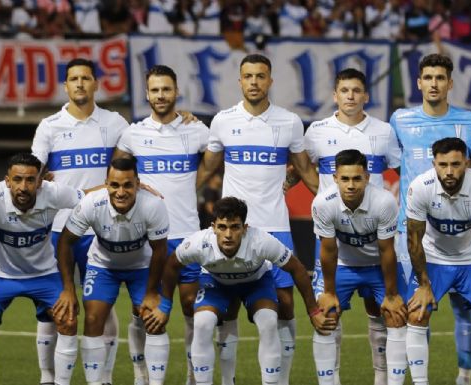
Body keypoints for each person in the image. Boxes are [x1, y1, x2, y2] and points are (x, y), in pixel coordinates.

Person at [197, 53, 320, 385]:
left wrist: (329, 202)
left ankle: (282, 380)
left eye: (260, 76)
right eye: (248, 76)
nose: (254, 82)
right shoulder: (222, 120)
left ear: (270, 81)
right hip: (233, 229)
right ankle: (228, 379)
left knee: (284, 305)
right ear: (240, 81)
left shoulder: (289, 122)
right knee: (229, 306)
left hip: (277, 226)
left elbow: (306, 169)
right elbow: (206, 168)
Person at [145, 196, 336, 385]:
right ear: (213, 227)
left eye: (235, 227)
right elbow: (171, 266)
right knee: (202, 323)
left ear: (245, 228)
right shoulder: (198, 243)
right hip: (216, 283)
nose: (228, 234)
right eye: (222, 227)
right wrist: (165, 305)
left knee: (269, 321)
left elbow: (297, 269)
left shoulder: (261, 241)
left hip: (256, 283)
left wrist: (313, 311)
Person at [31, 57, 130, 385]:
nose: (79, 84)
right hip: (57, 228)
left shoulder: (115, 123)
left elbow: (132, 166)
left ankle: (105, 377)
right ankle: (48, 377)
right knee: (52, 305)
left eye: (85, 78)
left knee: (100, 305)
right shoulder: (49, 126)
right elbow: (33, 175)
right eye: (73, 78)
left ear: (96, 84)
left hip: (100, 229)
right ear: (65, 85)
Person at [301, 68, 402, 385]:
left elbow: (402, 169)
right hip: (335, 235)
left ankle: (382, 377)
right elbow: (303, 167)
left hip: (374, 232)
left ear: (366, 96)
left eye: (356, 90)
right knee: (326, 313)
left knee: (385, 311)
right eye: (344, 90)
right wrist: (319, 195)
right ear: (335, 95)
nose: (350, 96)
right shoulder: (316, 130)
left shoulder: (384, 131)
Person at [112, 64, 211, 385]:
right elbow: (116, 176)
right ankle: (142, 376)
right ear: (146, 94)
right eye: (154, 90)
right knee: (143, 311)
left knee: (190, 307)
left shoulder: (197, 130)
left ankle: (194, 376)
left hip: (189, 236)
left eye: (166, 89)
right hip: (147, 239)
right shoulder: (133, 133)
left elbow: (214, 160)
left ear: (176, 91)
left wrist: (192, 185)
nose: (160, 95)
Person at [390, 53, 471, 385]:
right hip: (412, 233)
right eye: (427, 77)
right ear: (418, 83)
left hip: (461, 233)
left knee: (464, 309)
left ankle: (465, 377)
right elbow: (384, 162)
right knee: (417, 309)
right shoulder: (399, 120)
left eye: (440, 78)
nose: (433, 83)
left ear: (450, 83)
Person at [0, 153, 85, 385]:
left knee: (68, 318)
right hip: (0, 273)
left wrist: (140, 188)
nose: (23, 186)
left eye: (30, 180)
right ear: (7, 180)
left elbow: (91, 197)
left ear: (40, 181)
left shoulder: (54, 192)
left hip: (45, 273)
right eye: (17, 179)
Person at [53, 157, 170, 385]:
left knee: (154, 318)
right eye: (114, 185)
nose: (121, 192)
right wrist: (68, 288)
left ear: (137, 183)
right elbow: (65, 242)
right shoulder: (90, 203)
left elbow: (159, 251)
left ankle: (153, 382)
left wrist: (151, 292)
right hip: (103, 265)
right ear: (106, 184)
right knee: (93, 318)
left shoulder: (153, 205)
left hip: (141, 267)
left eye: (127, 185)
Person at [405, 137, 471, 385]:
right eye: (442, 164)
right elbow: (414, 241)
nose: (449, 171)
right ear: (434, 164)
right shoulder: (420, 187)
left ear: (467, 163)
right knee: (416, 313)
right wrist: (424, 286)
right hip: (434, 258)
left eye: (455, 164)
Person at [311, 149, 407, 385]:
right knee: (325, 316)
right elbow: (328, 251)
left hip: (376, 265)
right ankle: (329, 381)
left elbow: (387, 250)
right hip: (343, 265)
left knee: (395, 316)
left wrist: (392, 295)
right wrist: (330, 293)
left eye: (357, 178)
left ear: (367, 177)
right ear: (335, 178)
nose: (351, 185)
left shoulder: (384, 202)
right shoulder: (323, 203)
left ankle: (384, 379)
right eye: (345, 179)